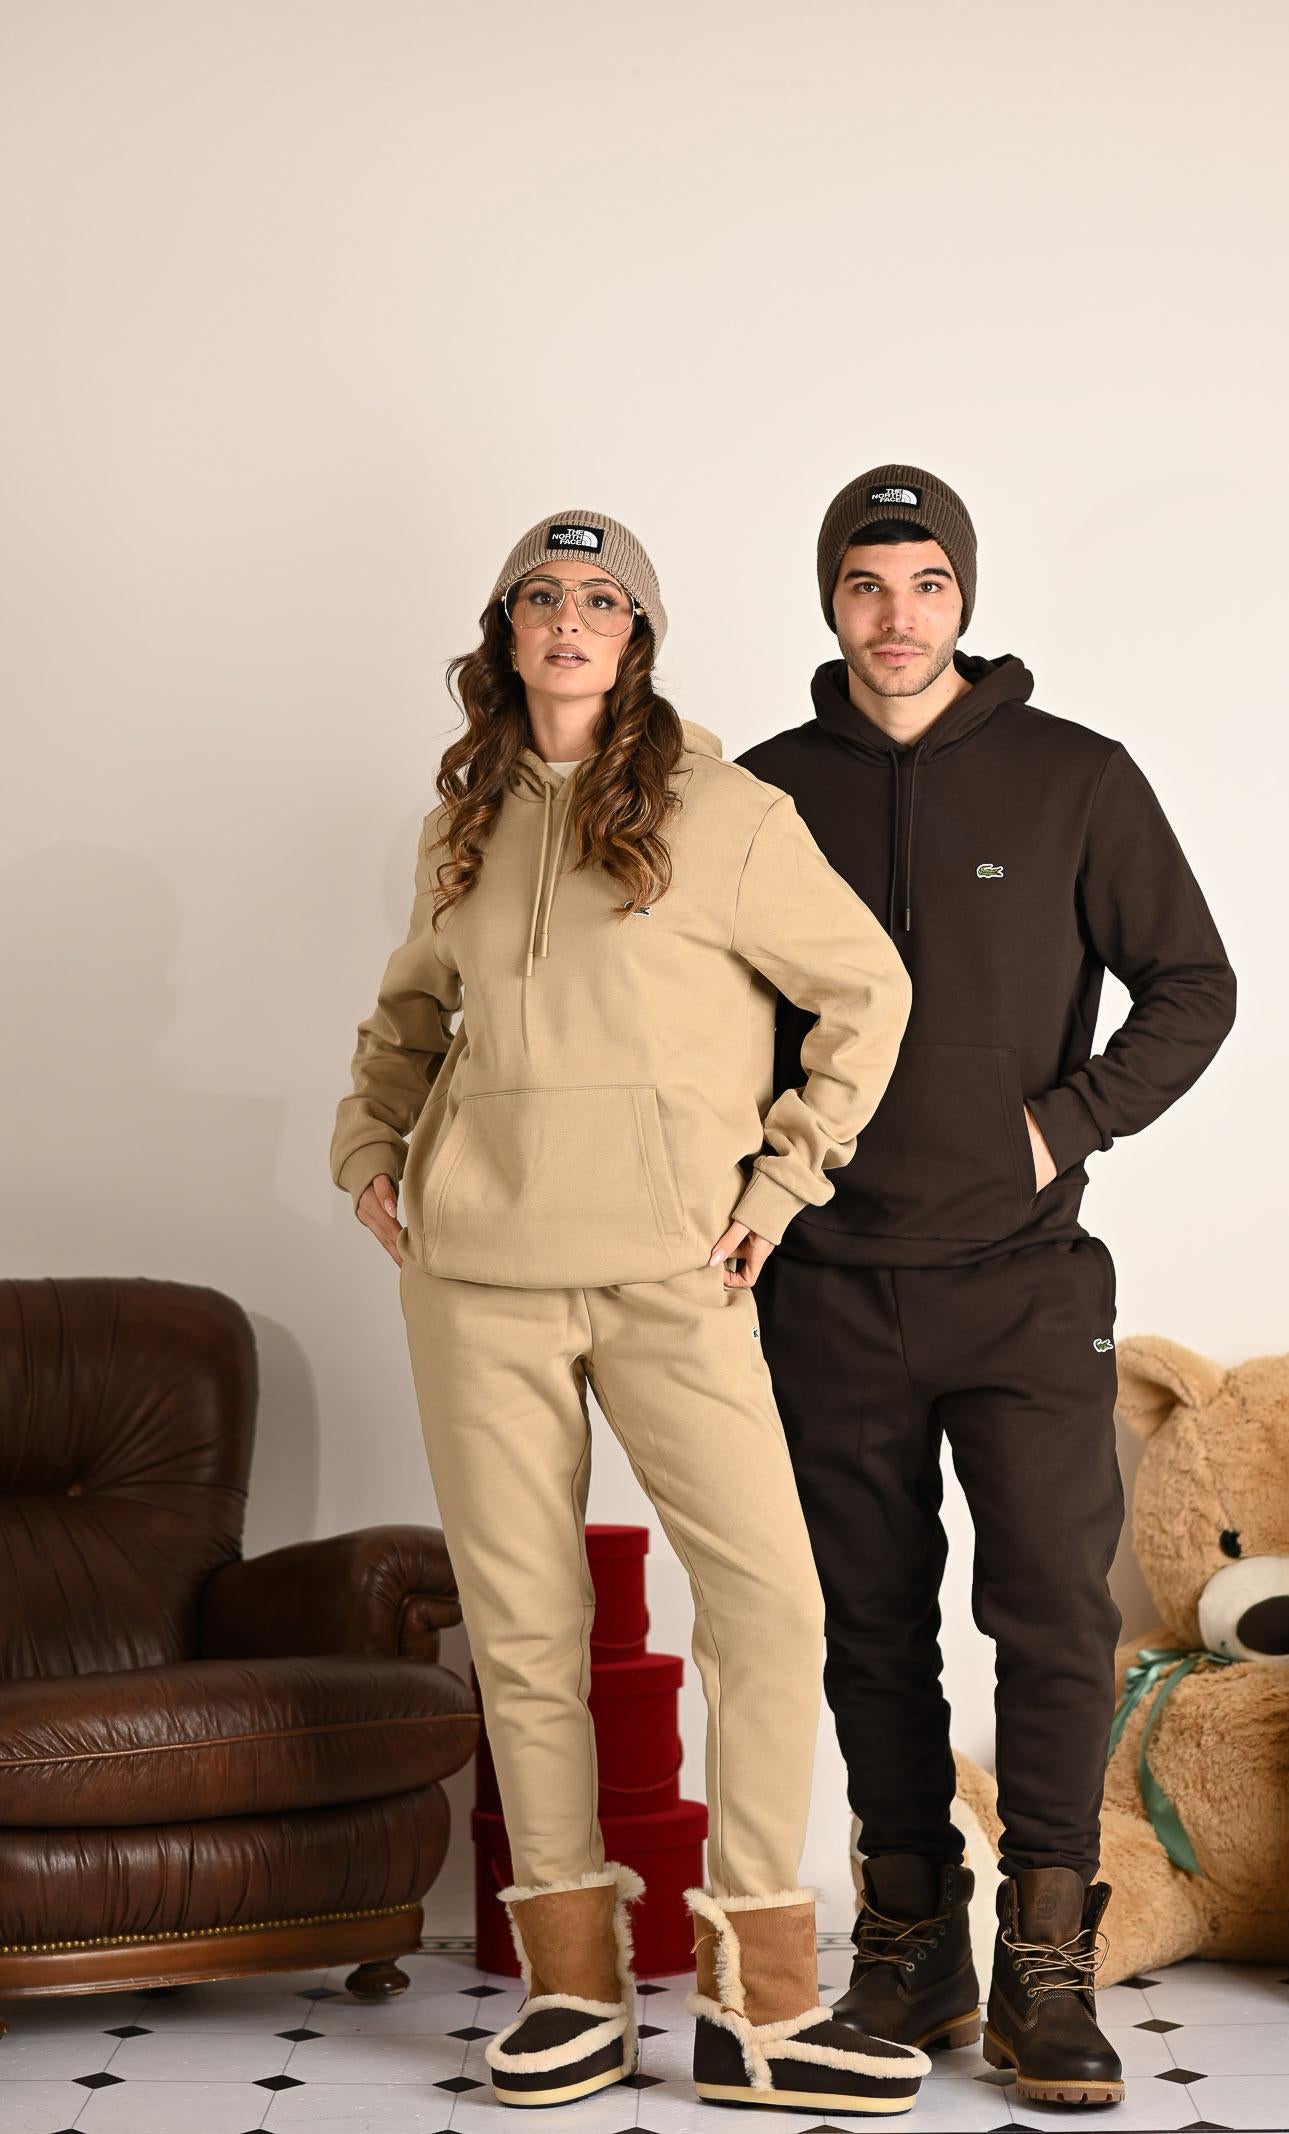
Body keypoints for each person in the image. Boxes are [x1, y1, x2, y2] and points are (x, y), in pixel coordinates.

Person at [328, 509, 928, 2115]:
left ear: (638, 635)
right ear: (506, 632)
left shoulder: (726, 814)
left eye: (601, 598)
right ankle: (572, 1992)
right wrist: (369, 1147)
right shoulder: (460, 822)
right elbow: (408, 1016)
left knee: (769, 1605)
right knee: (525, 1632)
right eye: (541, 595)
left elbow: (866, 990)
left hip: (673, 1268)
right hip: (475, 1277)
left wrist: (779, 1183)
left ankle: (759, 2002)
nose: (569, 618)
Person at [738, 463, 1238, 2111]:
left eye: (926, 583)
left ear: (963, 593)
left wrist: (1061, 1123)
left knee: (1051, 1616)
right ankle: (908, 1937)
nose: (896, 617)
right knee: (866, 1620)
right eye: (866, 583)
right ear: (829, 597)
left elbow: (1191, 982)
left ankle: (1044, 1958)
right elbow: (702, 1019)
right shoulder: (757, 795)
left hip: (1024, 1282)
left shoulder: (1072, 776)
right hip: (824, 1281)